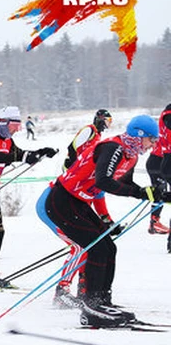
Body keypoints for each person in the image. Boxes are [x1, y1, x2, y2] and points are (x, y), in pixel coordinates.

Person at [38, 115, 163, 326]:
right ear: (139, 135)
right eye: (151, 139)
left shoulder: (131, 155)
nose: (152, 145)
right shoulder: (114, 148)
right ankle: (92, 306)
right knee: (97, 248)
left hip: (78, 202)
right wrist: (140, 193)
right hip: (61, 199)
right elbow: (103, 181)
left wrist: (155, 193)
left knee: (108, 247)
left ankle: (102, 301)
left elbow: (126, 183)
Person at [0, 106, 57, 290]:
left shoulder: (7, 141)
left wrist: (41, 152)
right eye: (14, 125)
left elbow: (19, 154)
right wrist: (23, 157)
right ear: (3, 123)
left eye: (18, 125)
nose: (16, 129)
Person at [145, 104, 171, 236]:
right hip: (158, 160)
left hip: (158, 160)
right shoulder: (168, 117)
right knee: (160, 192)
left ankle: (155, 221)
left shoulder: (165, 117)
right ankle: (154, 222)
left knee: (160, 191)